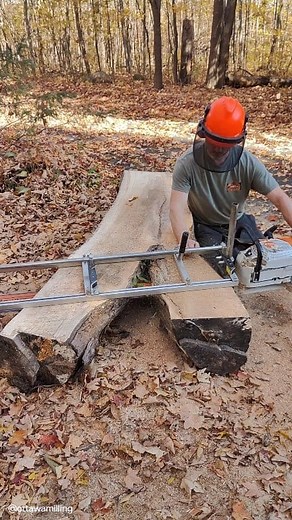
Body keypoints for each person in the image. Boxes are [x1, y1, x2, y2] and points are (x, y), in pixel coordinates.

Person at [170, 96, 292, 262]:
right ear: (203, 133)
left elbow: (280, 198)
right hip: (206, 224)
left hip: (239, 220)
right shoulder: (187, 163)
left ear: (237, 140)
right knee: (218, 267)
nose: (219, 149)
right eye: (214, 144)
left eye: (225, 145)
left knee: (261, 260)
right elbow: (176, 207)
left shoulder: (248, 163)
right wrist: (184, 238)